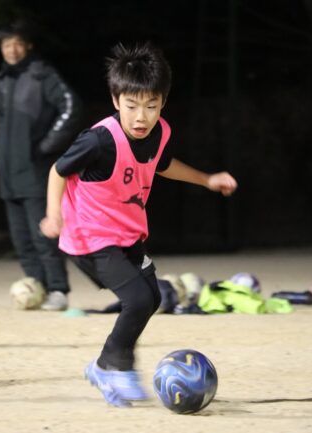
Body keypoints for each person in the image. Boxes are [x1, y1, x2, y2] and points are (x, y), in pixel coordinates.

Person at [40, 42, 237, 407]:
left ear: (163, 103)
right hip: (89, 237)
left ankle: (107, 366)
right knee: (138, 298)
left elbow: (164, 165)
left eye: (151, 105)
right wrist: (54, 213)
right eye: (131, 106)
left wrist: (207, 179)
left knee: (153, 297)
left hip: (127, 234)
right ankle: (113, 366)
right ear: (116, 101)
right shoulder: (99, 140)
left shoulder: (160, 133)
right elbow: (58, 170)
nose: (141, 117)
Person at [0, 20, 82, 311]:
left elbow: (71, 107)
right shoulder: (4, 79)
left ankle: (58, 290)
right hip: (8, 172)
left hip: (35, 171)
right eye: (7, 45)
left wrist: (46, 145)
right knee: (21, 240)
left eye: (18, 43)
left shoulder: (42, 74)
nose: (12, 50)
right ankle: (37, 287)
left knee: (43, 235)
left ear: (28, 45)